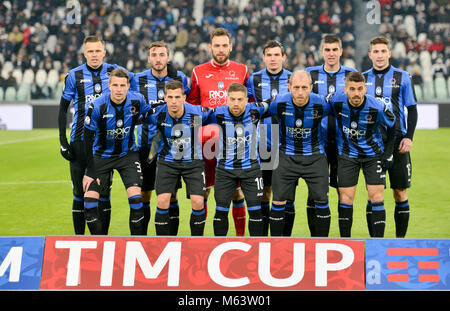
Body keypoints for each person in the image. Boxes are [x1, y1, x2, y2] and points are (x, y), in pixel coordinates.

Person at [58, 35, 129, 235]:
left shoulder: (113, 72)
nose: (94, 55)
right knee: (79, 193)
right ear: (84, 53)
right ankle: (79, 241)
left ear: (104, 52)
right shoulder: (74, 75)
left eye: (98, 51)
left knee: (104, 194)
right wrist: (63, 142)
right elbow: (63, 110)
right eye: (90, 51)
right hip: (80, 141)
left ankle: (102, 241)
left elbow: (139, 79)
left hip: (106, 144)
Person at [187, 28, 249, 236]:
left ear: (230, 47)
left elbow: (251, 105)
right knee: (203, 191)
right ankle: (200, 242)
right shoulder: (198, 71)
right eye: (217, 45)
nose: (221, 49)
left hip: (234, 143)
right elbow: (192, 107)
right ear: (210, 47)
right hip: (207, 143)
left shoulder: (242, 71)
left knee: (237, 193)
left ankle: (240, 239)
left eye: (224, 45)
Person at [130, 41, 190, 235]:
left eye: (162, 55)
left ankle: (170, 240)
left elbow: (187, 108)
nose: (158, 58)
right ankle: (142, 239)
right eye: (154, 55)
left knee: (171, 196)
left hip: (171, 148)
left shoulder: (179, 78)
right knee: (144, 195)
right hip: (146, 147)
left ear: (168, 57)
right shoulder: (137, 80)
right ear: (149, 58)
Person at [82, 68, 151, 235]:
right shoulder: (97, 105)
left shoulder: (137, 101)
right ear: (109, 86)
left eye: (122, 85)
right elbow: (87, 140)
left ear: (128, 86)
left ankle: (136, 245)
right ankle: (100, 244)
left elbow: (150, 114)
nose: (119, 89)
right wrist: (90, 171)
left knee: (136, 200)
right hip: (101, 155)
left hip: (127, 155)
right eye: (115, 85)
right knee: (89, 203)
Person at [363, 36, 418, 238]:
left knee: (400, 192)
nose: (379, 55)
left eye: (382, 51)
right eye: (375, 51)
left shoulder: (403, 77)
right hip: (371, 144)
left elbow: (411, 109)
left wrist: (409, 137)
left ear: (389, 53)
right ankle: (375, 242)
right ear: (370, 55)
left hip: (397, 143)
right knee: (374, 194)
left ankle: (400, 241)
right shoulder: (362, 78)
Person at [329, 71, 396, 238]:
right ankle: (346, 241)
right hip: (347, 154)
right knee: (345, 198)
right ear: (345, 90)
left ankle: (378, 242)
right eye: (352, 89)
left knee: (377, 196)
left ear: (365, 89)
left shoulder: (377, 106)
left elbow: (393, 125)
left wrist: (388, 153)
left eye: (360, 89)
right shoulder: (335, 101)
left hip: (373, 156)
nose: (356, 93)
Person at [267, 70, 332, 237]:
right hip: (286, 157)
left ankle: (322, 245)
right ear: (289, 87)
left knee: (321, 201)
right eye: (296, 87)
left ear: (311, 87)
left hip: (315, 157)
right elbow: (256, 111)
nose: (300, 92)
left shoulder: (322, 104)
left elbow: (343, 109)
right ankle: (276, 246)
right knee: (278, 201)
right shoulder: (279, 103)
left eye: (304, 87)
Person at [144, 80, 212, 236]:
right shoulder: (158, 114)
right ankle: (161, 243)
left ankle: (196, 244)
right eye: (170, 97)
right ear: (165, 98)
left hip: (193, 162)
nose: (174, 101)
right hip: (167, 162)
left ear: (184, 97)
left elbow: (220, 116)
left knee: (198, 201)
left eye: (177, 97)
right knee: (162, 201)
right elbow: (136, 116)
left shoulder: (197, 112)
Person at [306, 34, 357, 236]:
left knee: (343, 192)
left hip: (342, 144)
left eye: (335, 49)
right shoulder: (310, 74)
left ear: (341, 51)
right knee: (315, 193)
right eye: (327, 50)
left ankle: (345, 239)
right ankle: (315, 240)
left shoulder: (351, 74)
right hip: (316, 144)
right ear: (322, 52)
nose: (331, 53)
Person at [246, 40, 292, 236]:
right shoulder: (253, 79)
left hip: (287, 142)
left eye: (276, 55)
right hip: (263, 143)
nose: (273, 59)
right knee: (264, 193)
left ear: (283, 57)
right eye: (269, 55)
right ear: (263, 57)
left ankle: (285, 240)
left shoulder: (293, 78)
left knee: (287, 195)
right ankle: (263, 241)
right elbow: (248, 109)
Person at [210, 83, 268, 236]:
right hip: (225, 170)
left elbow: (276, 103)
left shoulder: (256, 110)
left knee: (256, 211)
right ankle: (219, 247)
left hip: (251, 169)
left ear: (246, 100)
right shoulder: (217, 113)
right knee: (221, 211)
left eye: (240, 99)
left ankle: (258, 251)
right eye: (232, 99)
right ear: (227, 99)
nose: (236, 103)